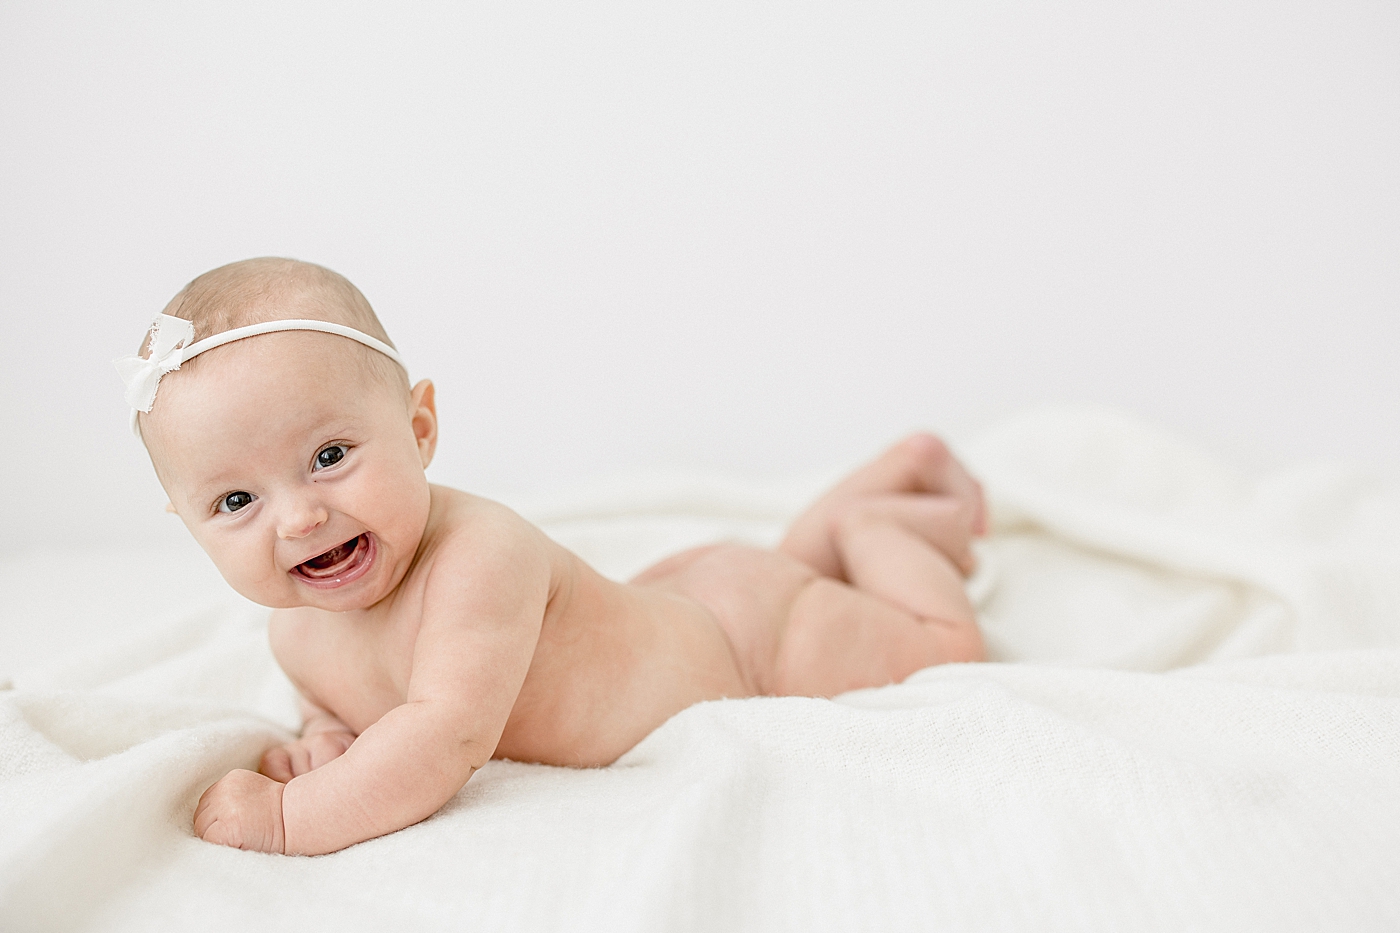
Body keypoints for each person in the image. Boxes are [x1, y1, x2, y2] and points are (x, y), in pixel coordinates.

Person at [116, 257, 988, 856]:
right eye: (237, 501)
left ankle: (884, 525)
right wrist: (326, 737)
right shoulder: (294, 635)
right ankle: (839, 519)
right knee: (784, 564)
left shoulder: (478, 556)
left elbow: (444, 733)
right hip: (684, 605)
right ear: (188, 523)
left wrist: (289, 816)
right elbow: (346, 703)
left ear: (419, 430)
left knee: (947, 648)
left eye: (330, 455)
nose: (301, 516)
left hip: (748, 640)